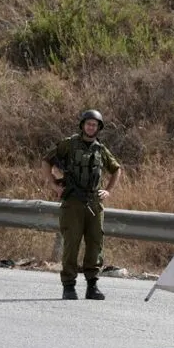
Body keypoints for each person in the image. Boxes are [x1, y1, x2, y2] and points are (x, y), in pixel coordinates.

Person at [43, 109, 122, 300]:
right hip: (73, 202)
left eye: (94, 125)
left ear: (98, 128)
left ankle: (92, 286)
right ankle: (68, 286)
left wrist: (108, 190)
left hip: (94, 203)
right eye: (88, 124)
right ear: (82, 125)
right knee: (72, 244)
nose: (91, 127)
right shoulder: (69, 144)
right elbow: (46, 161)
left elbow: (116, 169)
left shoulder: (100, 149)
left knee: (95, 244)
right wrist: (54, 185)